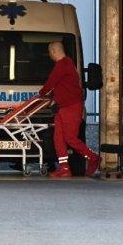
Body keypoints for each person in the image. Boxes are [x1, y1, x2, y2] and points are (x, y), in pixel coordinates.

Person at [39, 41, 101, 178]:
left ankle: (93, 158)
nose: (50, 55)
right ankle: (64, 167)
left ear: (54, 51)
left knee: (70, 138)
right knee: (58, 138)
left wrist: (41, 93)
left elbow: (51, 82)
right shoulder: (67, 64)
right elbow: (59, 85)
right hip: (62, 107)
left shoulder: (63, 64)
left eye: (50, 52)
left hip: (71, 106)